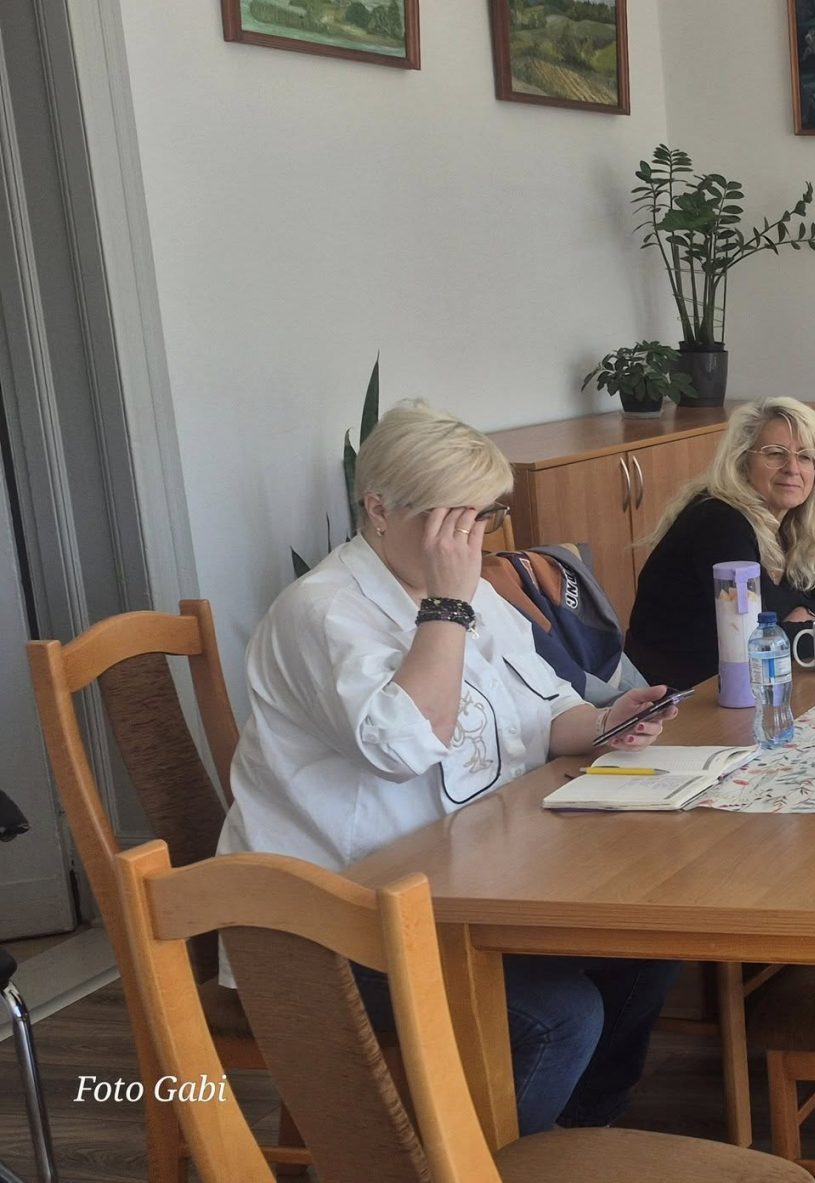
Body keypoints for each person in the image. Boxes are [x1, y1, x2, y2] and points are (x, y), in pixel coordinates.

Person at [218, 402, 685, 1136]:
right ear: (379, 509)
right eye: (454, 518)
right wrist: (445, 606)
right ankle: (461, 1162)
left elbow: (546, 711)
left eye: (485, 516)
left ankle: (572, 1137)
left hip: (463, 888)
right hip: (334, 924)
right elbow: (403, 746)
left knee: (646, 949)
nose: (472, 541)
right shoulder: (323, 612)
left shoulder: (470, 594)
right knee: (558, 1016)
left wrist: (606, 724)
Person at [623, 397, 815, 689]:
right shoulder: (719, 522)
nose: (792, 468)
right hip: (678, 699)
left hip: (745, 684)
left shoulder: (790, 521)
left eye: (805, 456)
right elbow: (760, 644)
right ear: (742, 460)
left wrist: (808, 612)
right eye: (775, 453)